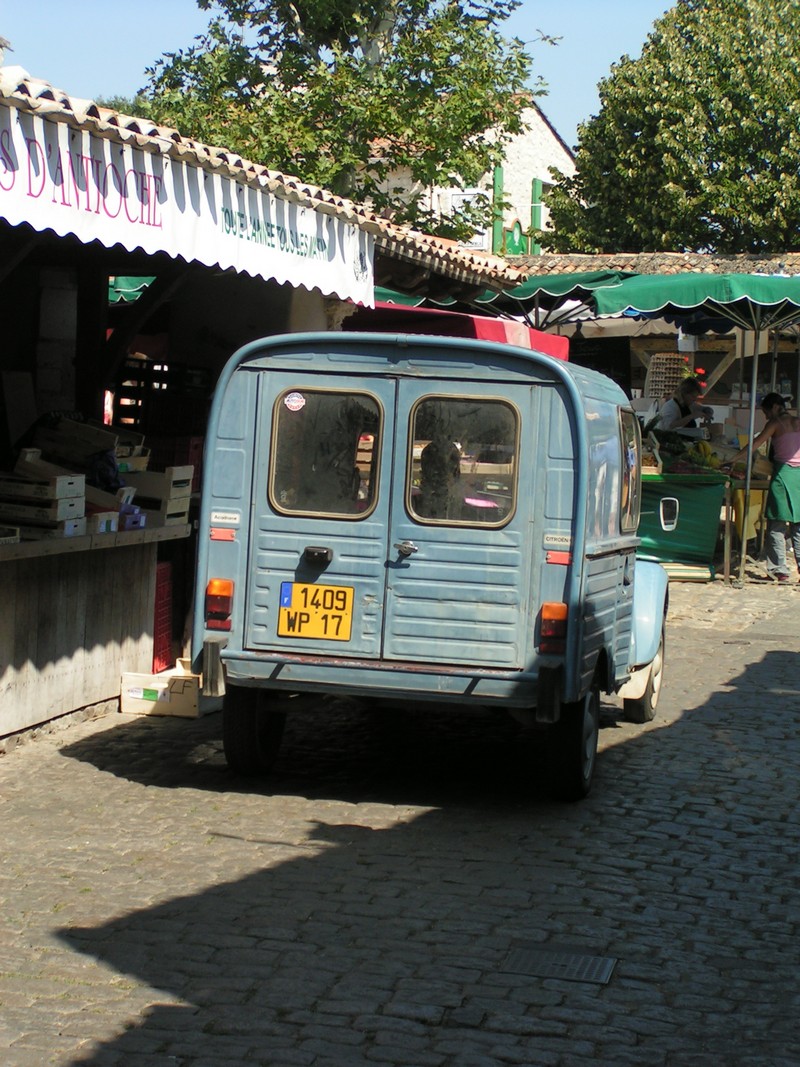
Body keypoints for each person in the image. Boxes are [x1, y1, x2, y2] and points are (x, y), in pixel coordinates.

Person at [725, 393, 800, 583]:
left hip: (782, 476)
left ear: (775, 407)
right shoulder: (797, 421)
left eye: (766, 412)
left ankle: (779, 570)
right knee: (798, 526)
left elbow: (755, 445)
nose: (766, 417)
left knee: (776, 524)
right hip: (798, 476)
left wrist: (732, 459)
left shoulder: (775, 424)